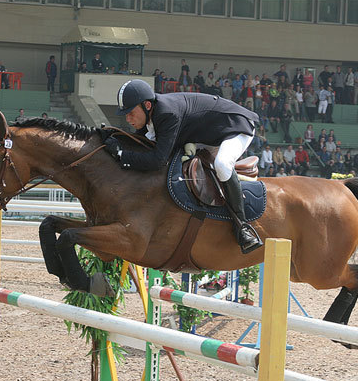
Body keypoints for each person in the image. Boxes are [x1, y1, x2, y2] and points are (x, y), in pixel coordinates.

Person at [105, 79, 263, 253]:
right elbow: (141, 143)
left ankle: (243, 228)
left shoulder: (167, 113)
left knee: (222, 164)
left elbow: (158, 160)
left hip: (235, 127)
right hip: (210, 133)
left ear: (147, 105)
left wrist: (121, 154)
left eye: (131, 113)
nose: (128, 119)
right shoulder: (152, 114)